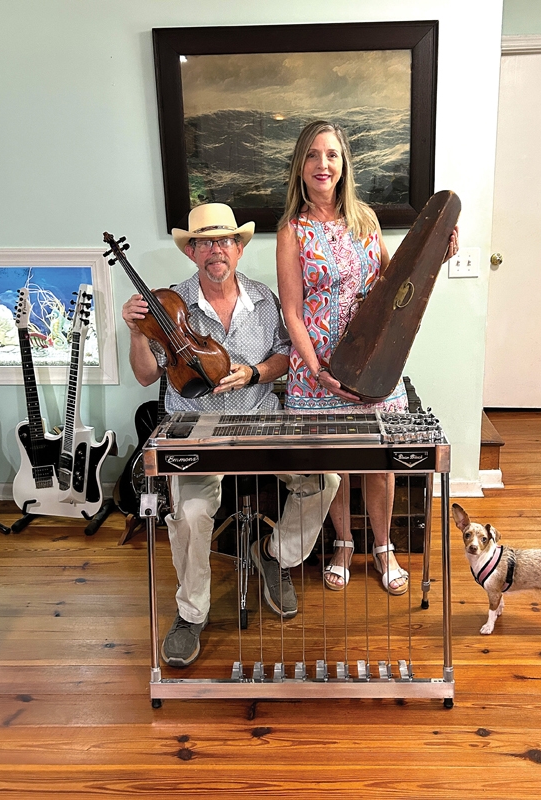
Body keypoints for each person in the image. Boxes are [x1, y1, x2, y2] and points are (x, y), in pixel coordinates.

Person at [122, 202, 339, 667]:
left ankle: (273, 555)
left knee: (325, 482)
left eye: (224, 241)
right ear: (191, 252)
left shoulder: (264, 299)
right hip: (196, 429)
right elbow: (144, 376)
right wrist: (138, 333)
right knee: (192, 512)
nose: (215, 250)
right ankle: (191, 612)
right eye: (204, 242)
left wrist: (256, 372)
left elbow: (286, 355)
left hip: (260, 418)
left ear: (239, 249)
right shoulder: (167, 305)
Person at [277, 121, 458, 595]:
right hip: (317, 373)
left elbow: (395, 284)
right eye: (313, 155)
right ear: (300, 164)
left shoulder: (366, 220)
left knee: (380, 459)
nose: (323, 164)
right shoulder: (291, 231)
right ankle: (343, 543)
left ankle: (383, 546)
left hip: (373, 365)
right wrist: (318, 370)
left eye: (332, 154)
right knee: (332, 468)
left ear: (343, 163)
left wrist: (437, 255)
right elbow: (292, 312)